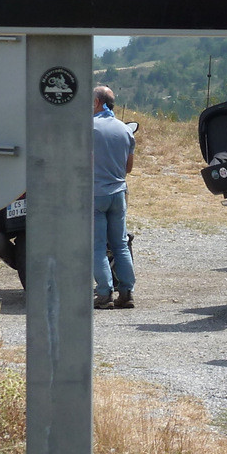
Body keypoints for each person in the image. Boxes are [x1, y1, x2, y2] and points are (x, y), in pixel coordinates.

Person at [92, 85, 136, 309]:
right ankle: (126, 292)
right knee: (119, 244)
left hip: (95, 194)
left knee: (97, 246)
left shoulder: (88, 128)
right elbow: (128, 167)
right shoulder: (125, 130)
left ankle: (104, 293)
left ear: (98, 103)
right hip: (119, 192)